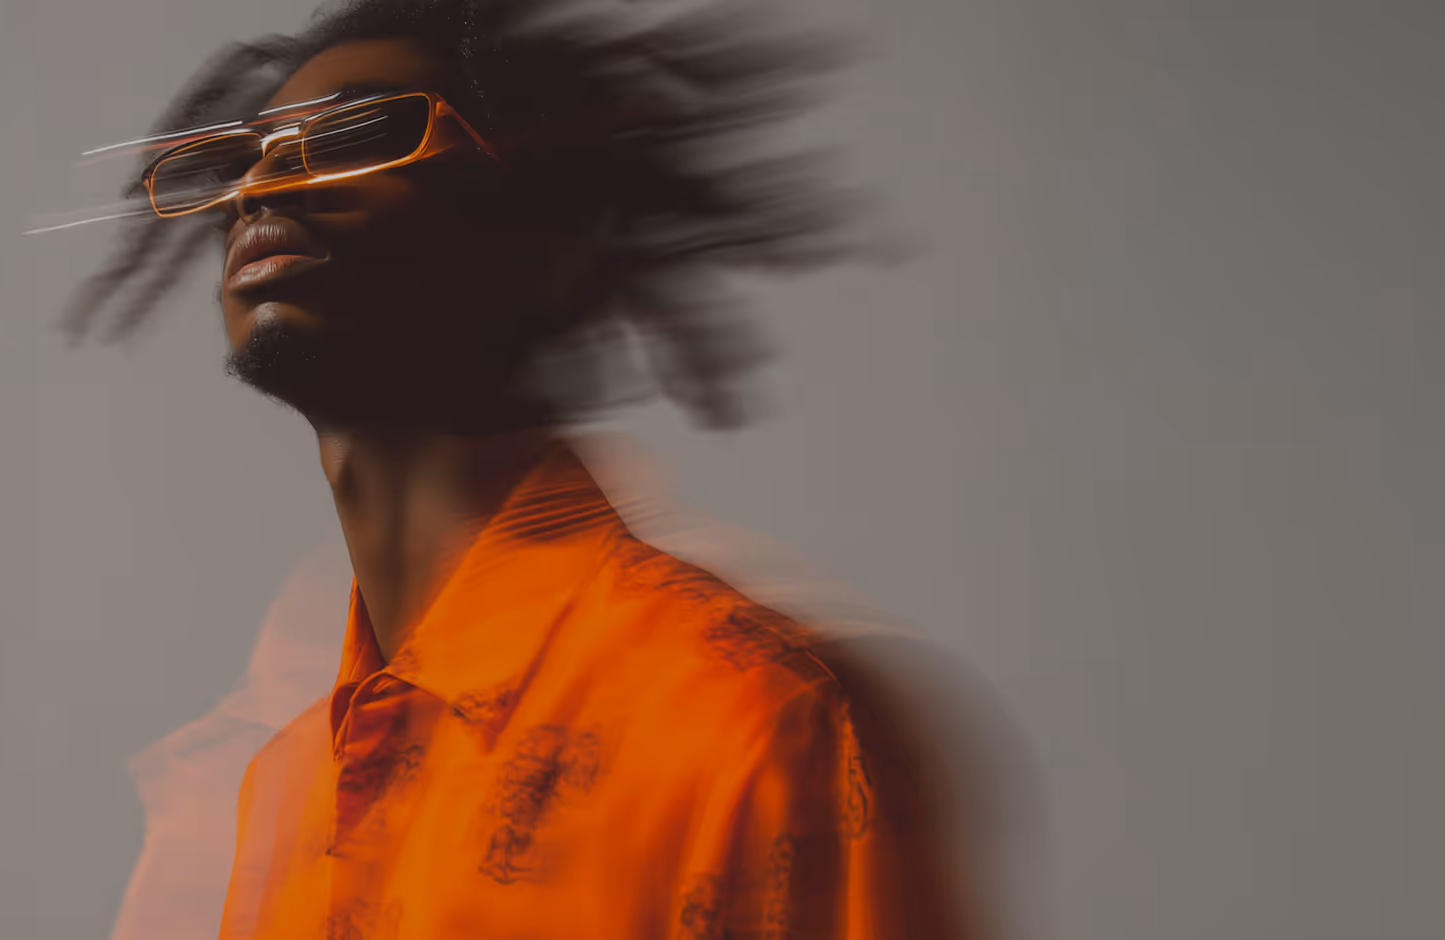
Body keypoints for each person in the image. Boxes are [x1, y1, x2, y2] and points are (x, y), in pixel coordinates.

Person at [66, 1, 1029, 936]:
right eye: (251, 159)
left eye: (358, 136)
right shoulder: (284, 789)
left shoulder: (753, 718)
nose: (262, 190)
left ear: (552, 246)